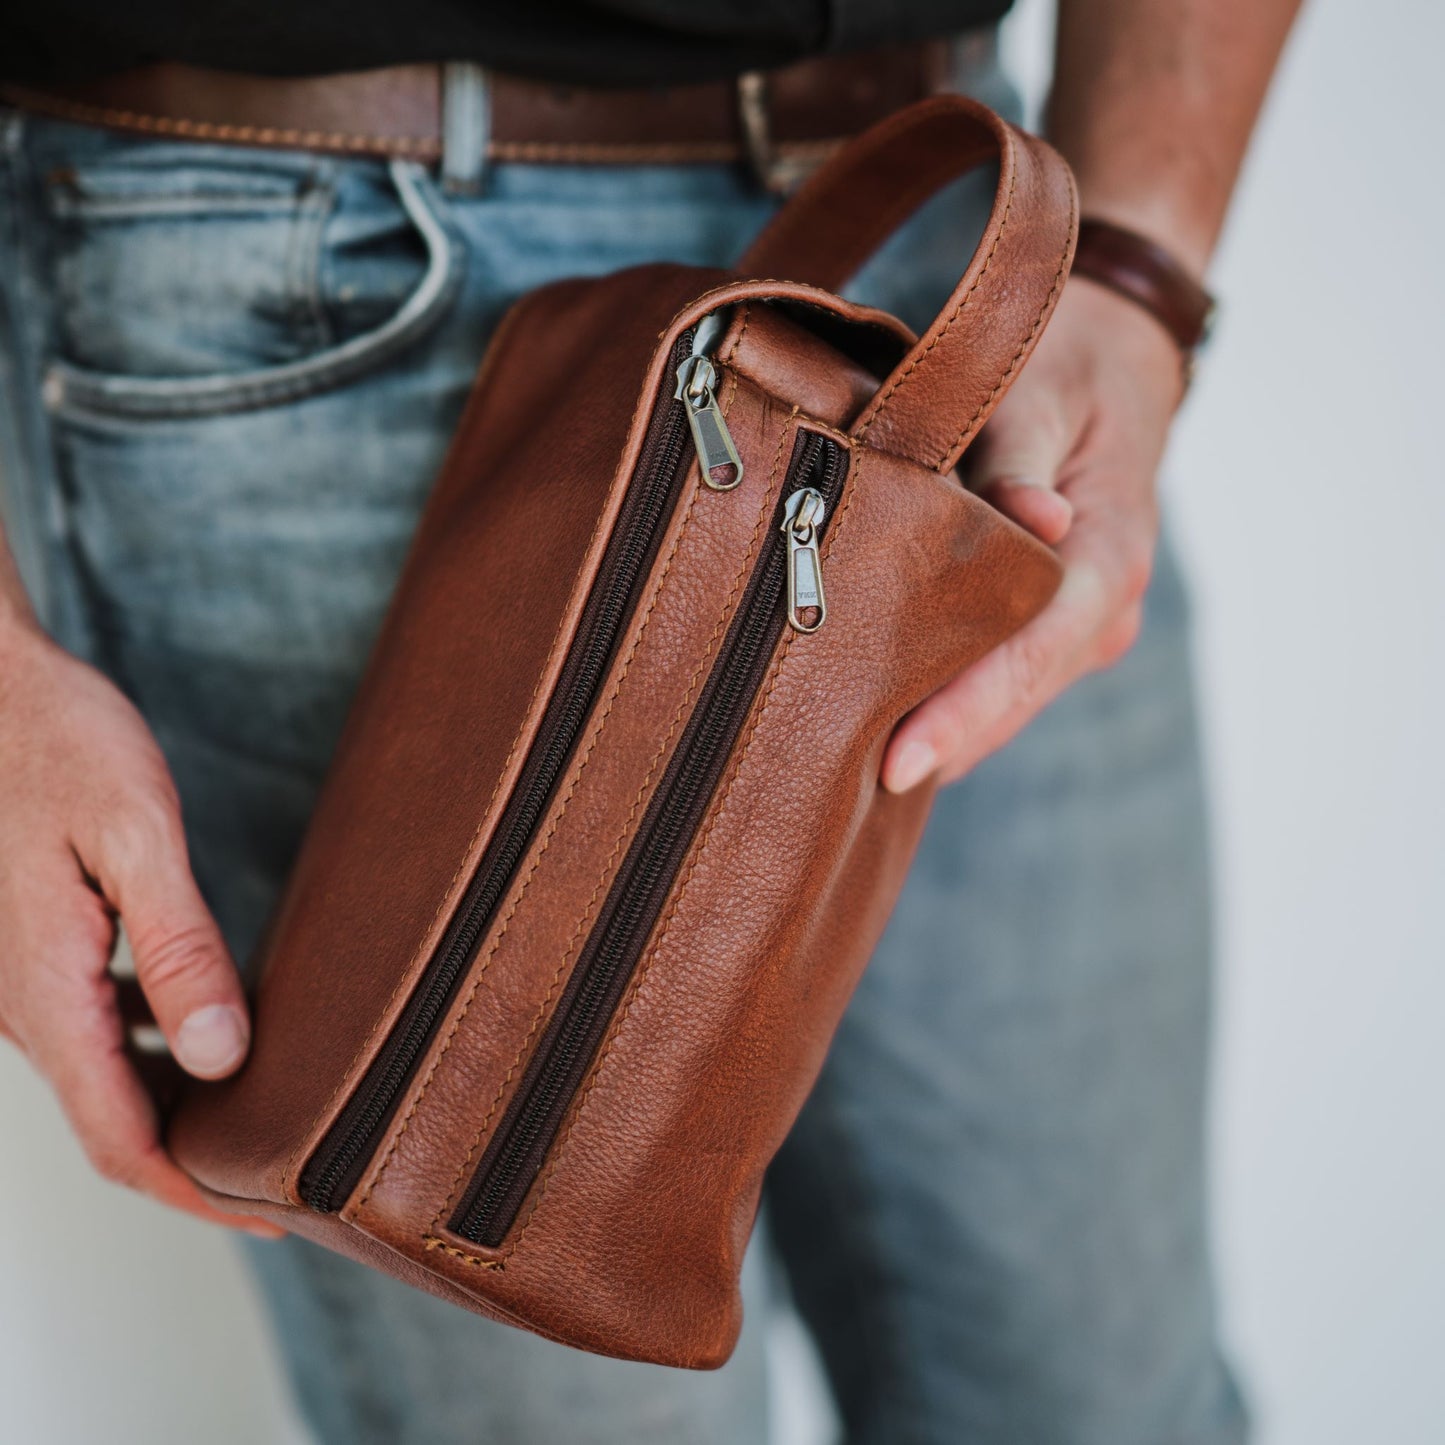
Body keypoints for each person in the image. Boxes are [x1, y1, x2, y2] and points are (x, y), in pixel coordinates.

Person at [0, 2, 1299, 1441]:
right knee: (482, 1259)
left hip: (970, 297)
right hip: (294, 231)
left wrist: (1138, 262)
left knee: (1107, 1401)